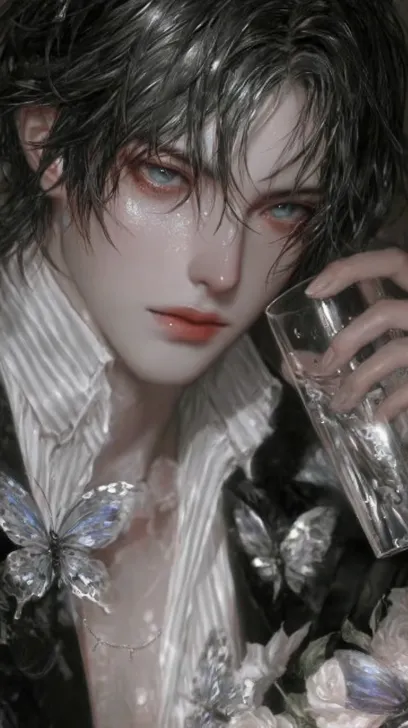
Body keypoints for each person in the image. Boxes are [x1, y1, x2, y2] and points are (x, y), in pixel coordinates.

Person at [0, 1, 407, 727]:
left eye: (283, 209)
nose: (222, 270)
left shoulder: (323, 456)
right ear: (48, 143)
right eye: (166, 175)